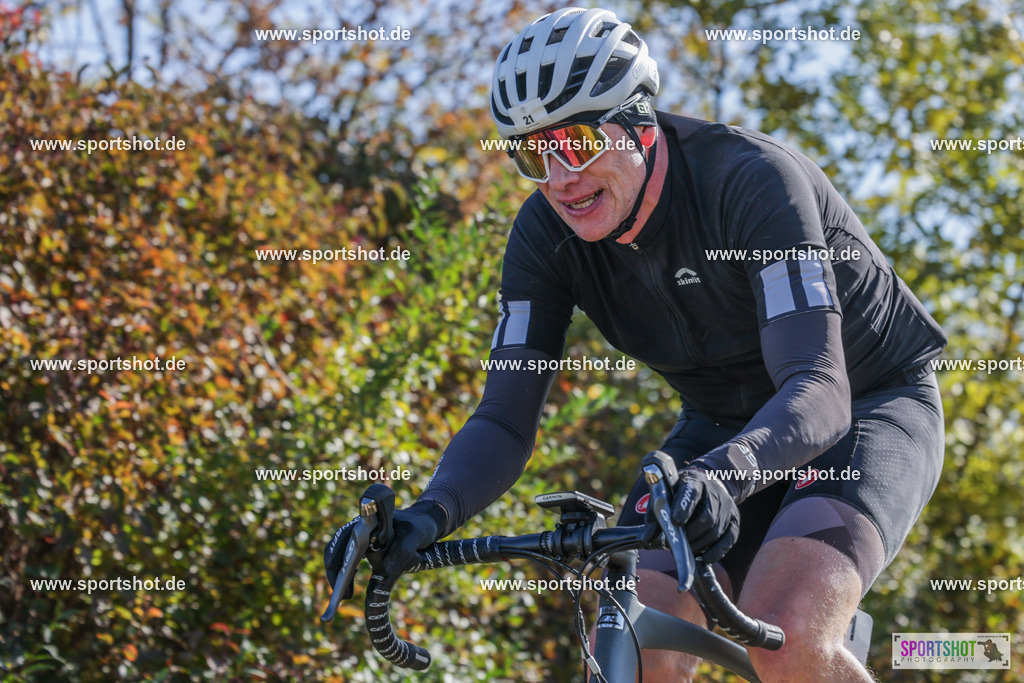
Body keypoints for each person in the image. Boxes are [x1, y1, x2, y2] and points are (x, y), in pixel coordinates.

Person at [326, 7, 947, 681]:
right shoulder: (542, 237)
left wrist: (725, 473)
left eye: (578, 142)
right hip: (718, 427)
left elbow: (820, 388)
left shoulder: (750, 181)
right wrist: (429, 514)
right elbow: (504, 419)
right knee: (627, 646)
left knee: (789, 634)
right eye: (532, 153)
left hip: (863, 404)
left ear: (639, 122)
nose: (560, 177)